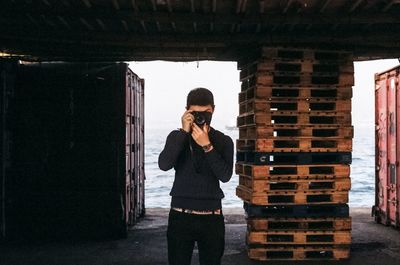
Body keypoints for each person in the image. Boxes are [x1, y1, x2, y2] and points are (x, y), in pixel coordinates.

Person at [158, 87, 234, 265]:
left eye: (206, 112)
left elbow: (225, 176)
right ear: (187, 111)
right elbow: (164, 165)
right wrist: (184, 133)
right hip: (180, 216)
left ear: (213, 110)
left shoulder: (223, 141)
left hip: (212, 218)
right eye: (196, 112)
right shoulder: (177, 137)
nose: (201, 117)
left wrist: (207, 146)